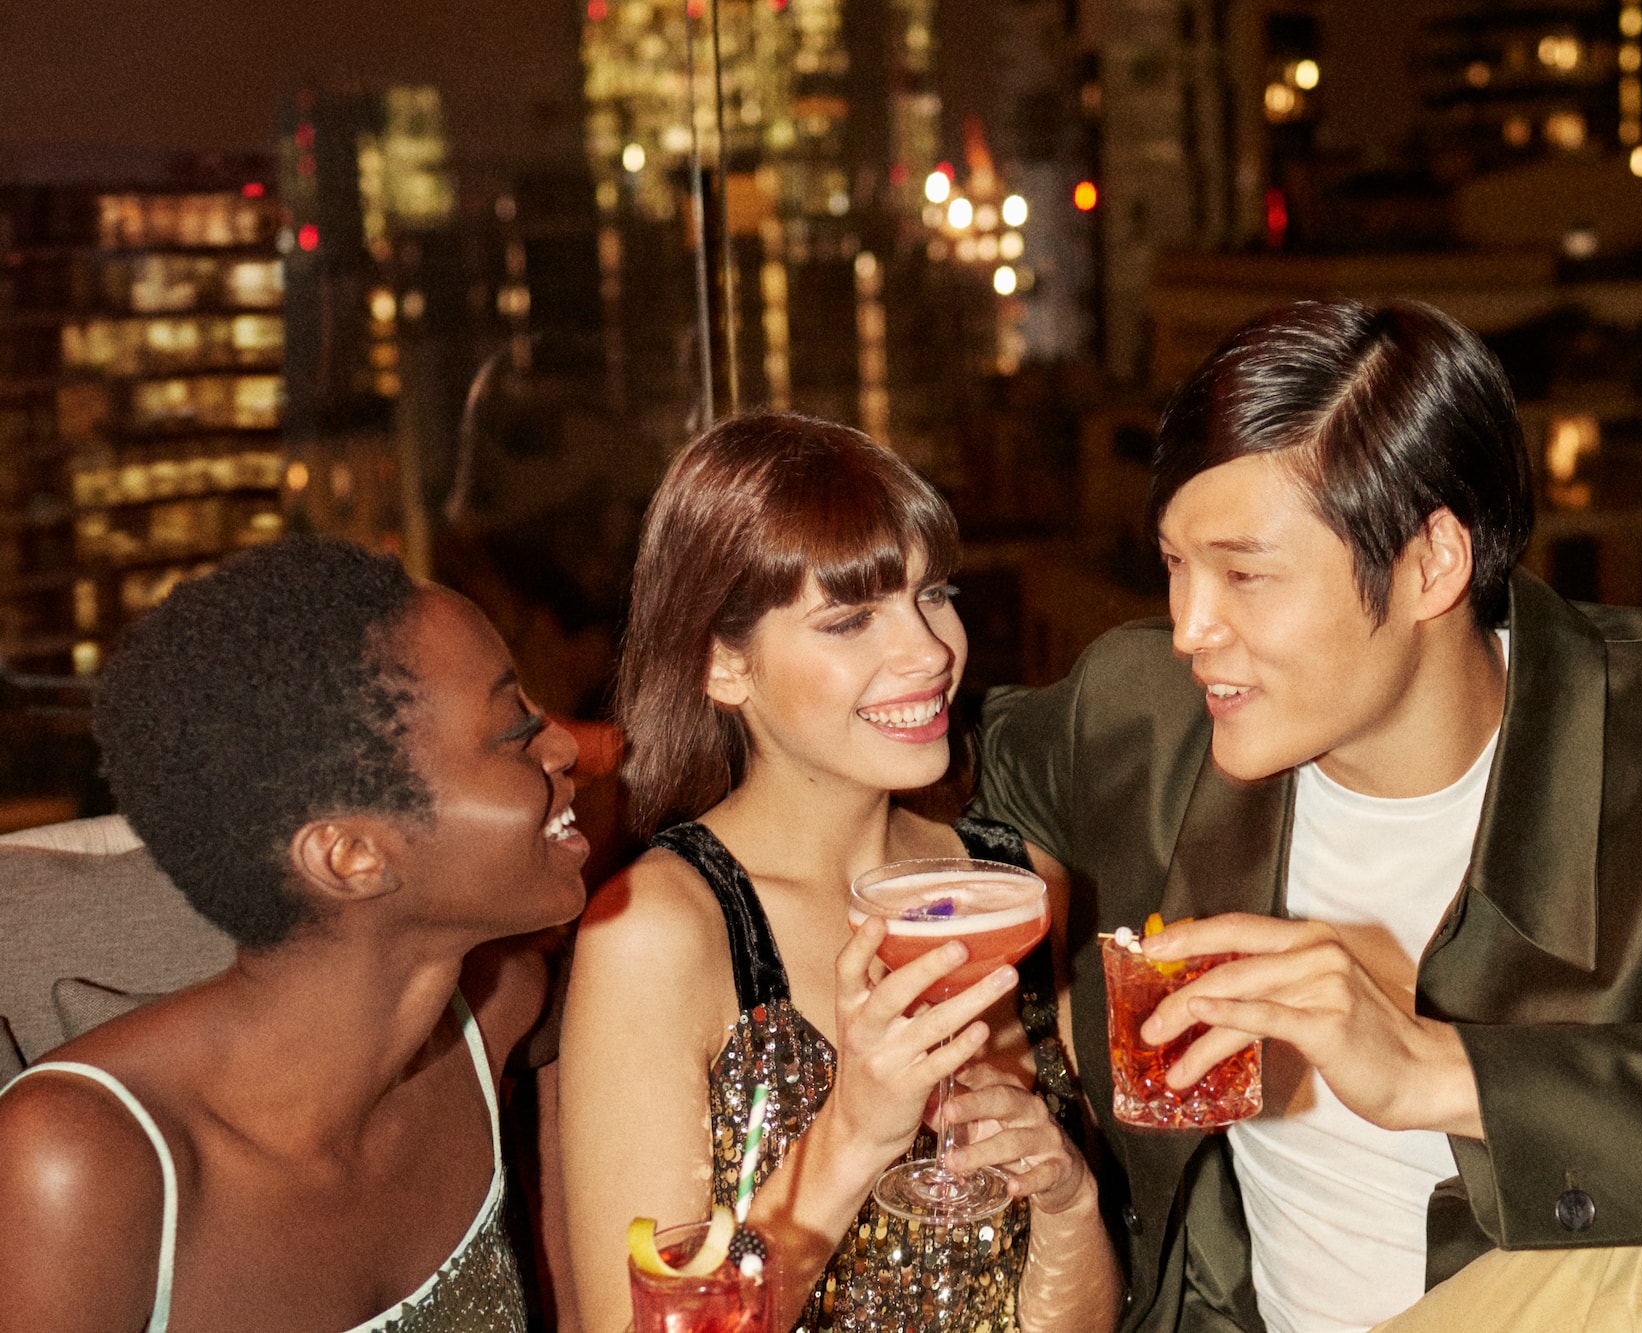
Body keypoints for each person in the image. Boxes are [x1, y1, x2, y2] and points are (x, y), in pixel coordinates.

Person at [968, 300, 1642, 1332]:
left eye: (1244, 574)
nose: (1189, 628)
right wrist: (1012, 1014)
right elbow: (979, 771)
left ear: (1431, 563)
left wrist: (1431, 1070)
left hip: (1557, 1303)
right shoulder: (1139, 710)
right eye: (1175, 565)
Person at [560, 414, 1119, 1333]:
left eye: (933, 593)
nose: (931, 652)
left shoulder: (1016, 886)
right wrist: (856, 1131)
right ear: (723, 663)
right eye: (851, 618)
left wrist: (1065, 1198)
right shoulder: (660, 928)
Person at [0, 535, 589, 1331]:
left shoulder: (496, 1011)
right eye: (516, 731)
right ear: (350, 855)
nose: (568, 746)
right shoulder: (79, 1161)